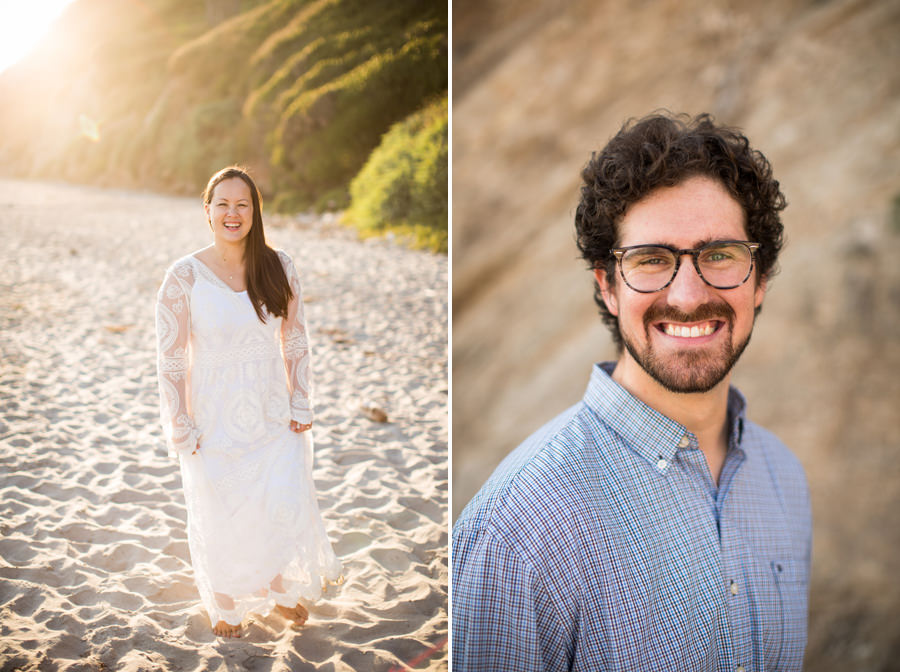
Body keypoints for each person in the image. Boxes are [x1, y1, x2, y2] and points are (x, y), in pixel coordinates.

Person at [452, 113, 812, 671]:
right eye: (651, 260)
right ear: (608, 285)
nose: (689, 296)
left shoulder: (784, 477)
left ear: (760, 279)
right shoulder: (518, 529)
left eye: (719, 254)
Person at [155, 166, 342, 638]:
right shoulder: (184, 276)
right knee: (221, 506)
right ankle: (221, 599)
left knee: (275, 501)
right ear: (207, 211)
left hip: (272, 411)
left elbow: (294, 339)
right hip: (213, 413)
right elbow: (171, 357)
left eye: (243, 204)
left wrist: (301, 401)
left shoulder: (278, 266)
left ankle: (279, 588)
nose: (232, 213)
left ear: (255, 212)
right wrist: (179, 420)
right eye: (223, 204)